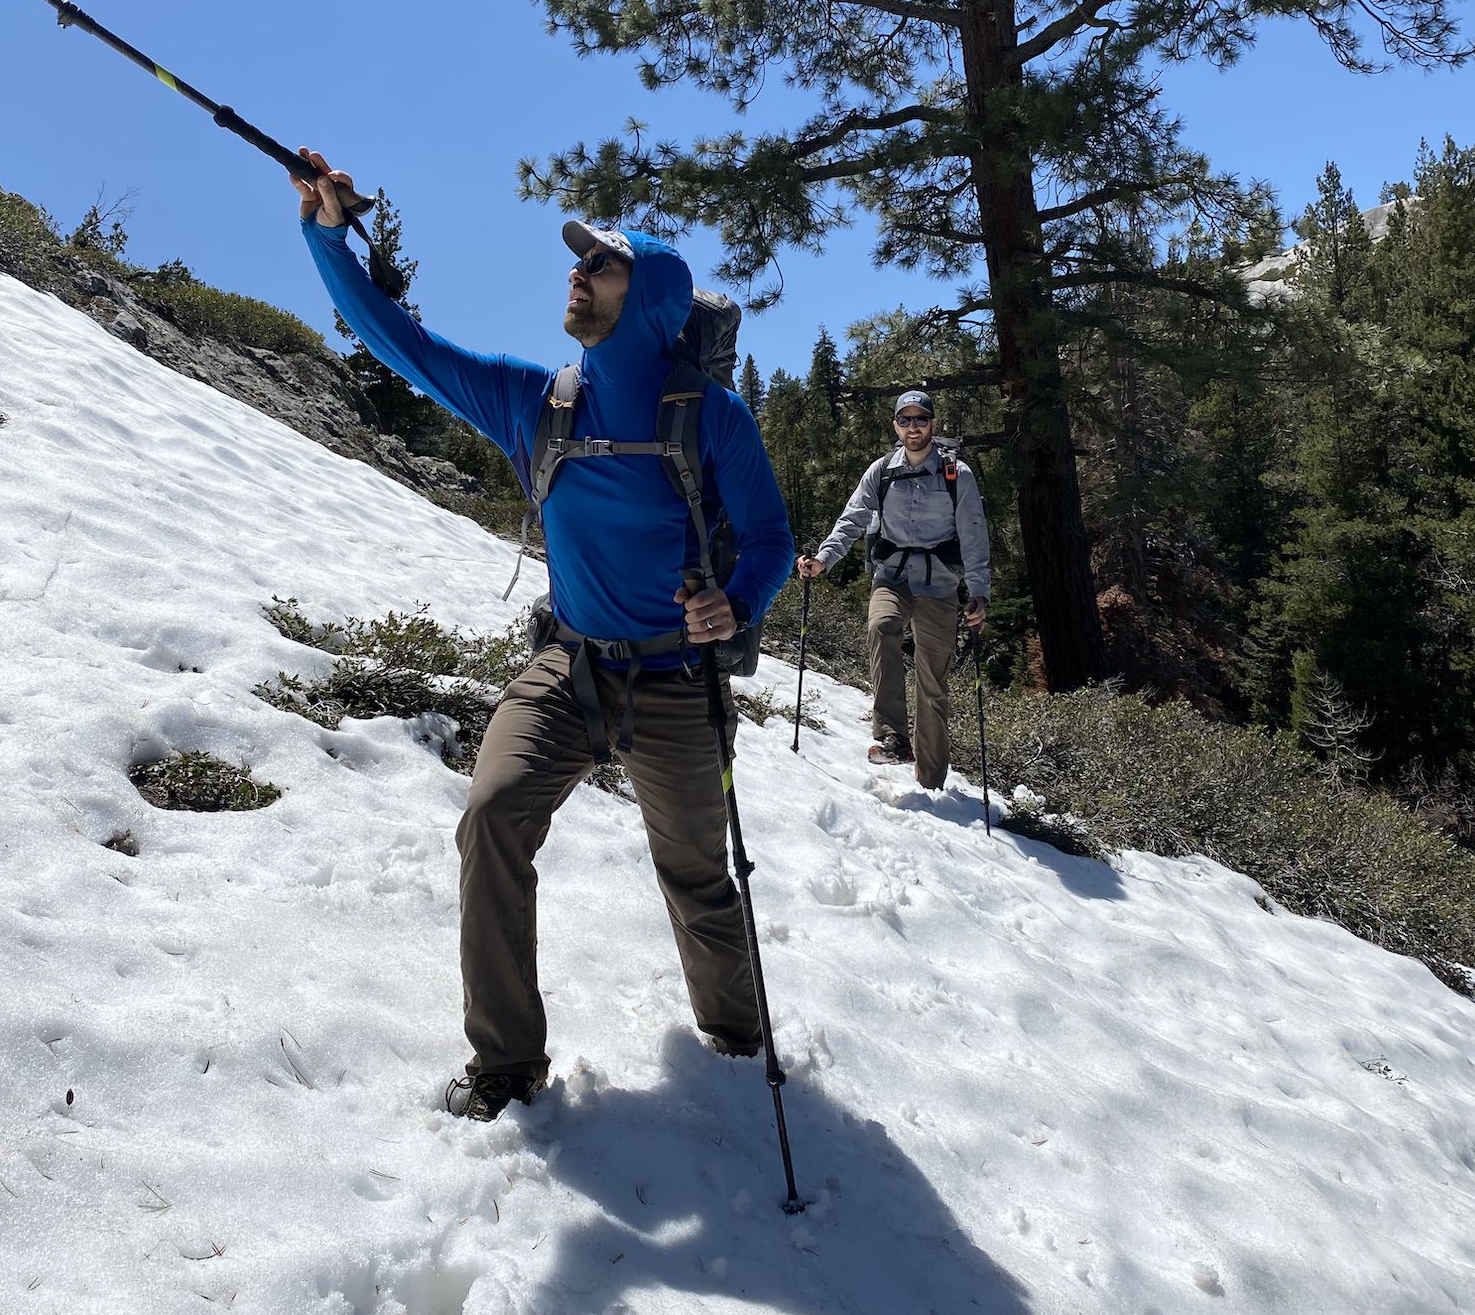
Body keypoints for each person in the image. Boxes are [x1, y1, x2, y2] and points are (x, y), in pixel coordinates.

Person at [292, 156, 794, 1121]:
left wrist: (737, 601)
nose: (576, 274)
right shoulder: (538, 402)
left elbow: (771, 537)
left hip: (679, 678)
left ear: (646, 300)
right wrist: (325, 233)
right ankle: (508, 1065)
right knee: (492, 818)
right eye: (579, 264)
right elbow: (396, 341)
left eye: (599, 267)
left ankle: (735, 1042)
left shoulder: (711, 416)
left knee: (696, 874)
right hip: (566, 664)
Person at [797, 390, 989, 791]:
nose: (913, 427)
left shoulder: (958, 475)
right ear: (896, 425)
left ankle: (931, 780)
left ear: (933, 424)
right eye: (906, 420)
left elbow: (974, 535)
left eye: (921, 419)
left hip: (939, 585)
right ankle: (893, 737)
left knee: (933, 682)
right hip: (893, 577)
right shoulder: (881, 470)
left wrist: (979, 591)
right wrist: (824, 559)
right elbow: (851, 519)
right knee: (882, 625)